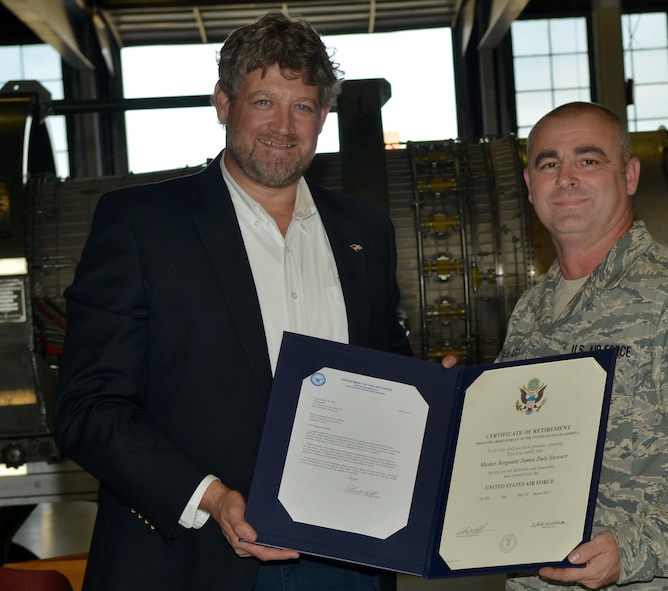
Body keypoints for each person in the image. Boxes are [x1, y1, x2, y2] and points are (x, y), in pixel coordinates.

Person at [53, 12, 412, 591]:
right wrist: (212, 499)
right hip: (194, 555)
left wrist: (434, 394)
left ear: (324, 115)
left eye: (302, 106)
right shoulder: (142, 227)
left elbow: (386, 371)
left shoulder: (366, 233)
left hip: (346, 558)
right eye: (264, 100)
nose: (284, 125)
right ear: (223, 102)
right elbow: (86, 409)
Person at [497, 102, 668, 590]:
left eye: (588, 160)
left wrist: (633, 549)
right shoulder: (530, 312)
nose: (565, 178)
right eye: (548, 163)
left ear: (628, 175)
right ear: (529, 184)